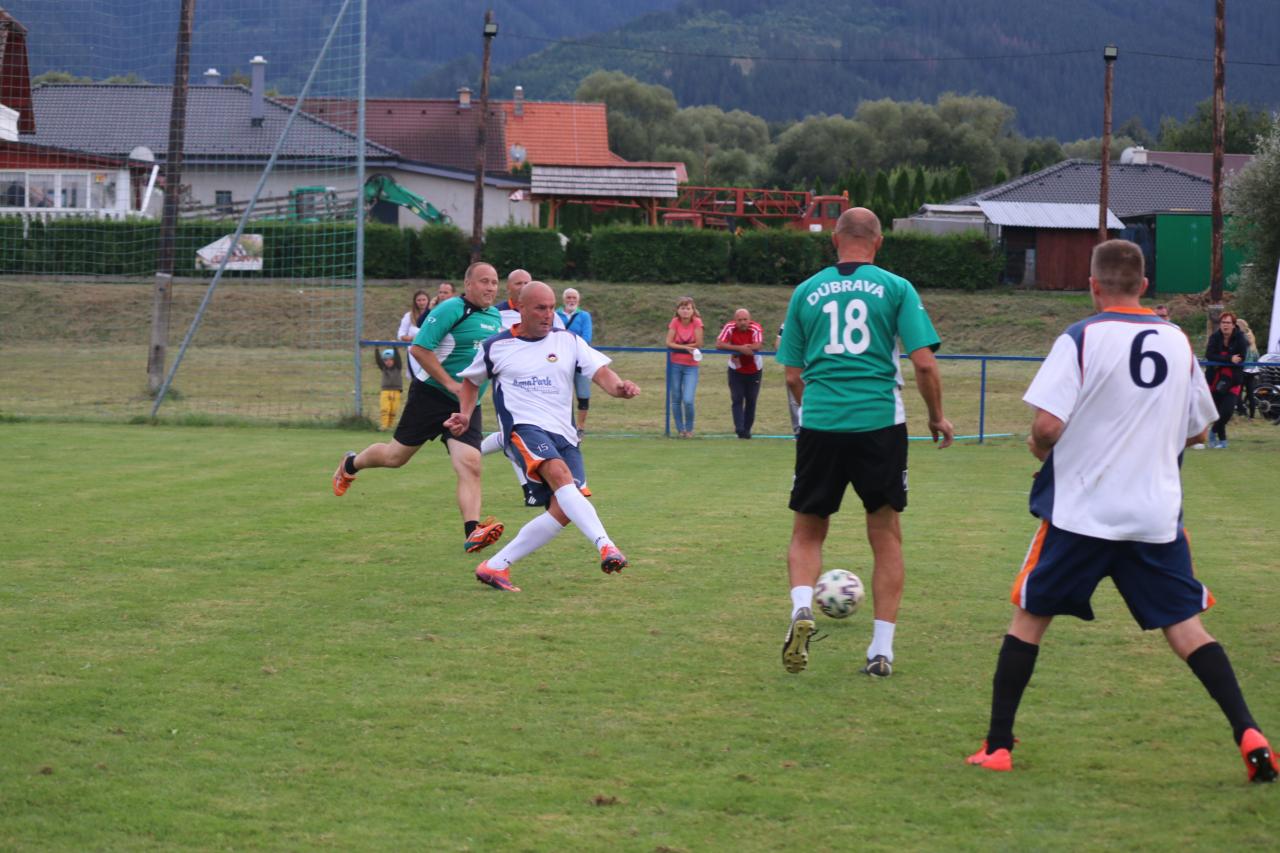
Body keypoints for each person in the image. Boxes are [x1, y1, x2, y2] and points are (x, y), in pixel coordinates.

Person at [965, 239, 1277, 783]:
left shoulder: (1081, 337)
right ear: (1144, 285)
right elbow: (1199, 429)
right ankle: (1249, 732)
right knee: (1187, 629)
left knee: (1029, 619)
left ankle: (997, 745)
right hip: (1153, 516)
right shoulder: (1176, 341)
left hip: (1082, 512)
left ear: (1093, 285)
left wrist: (1041, 449)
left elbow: (1046, 426)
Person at [775, 207, 954, 677]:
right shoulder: (897, 288)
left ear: (835, 239)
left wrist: (818, 408)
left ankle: (801, 607)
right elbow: (924, 363)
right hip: (879, 423)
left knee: (808, 529)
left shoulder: (806, 291)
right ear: (879, 241)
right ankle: (881, 651)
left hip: (821, 423)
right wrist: (936, 416)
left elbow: (792, 375)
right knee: (885, 533)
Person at [445, 282, 642, 592]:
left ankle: (495, 566)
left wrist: (620, 388)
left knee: (564, 509)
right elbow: (471, 382)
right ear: (521, 309)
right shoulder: (496, 346)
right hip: (523, 428)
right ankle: (607, 546)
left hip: (565, 434)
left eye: (551, 308)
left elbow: (601, 373)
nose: (548, 314)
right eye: (540, 308)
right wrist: (466, 415)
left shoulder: (568, 341)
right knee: (560, 475)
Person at [332, 261, 506, 556]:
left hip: (467, 404)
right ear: (468, 284)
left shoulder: (495, 317)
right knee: (394, 457)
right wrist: (451, 384)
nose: (490, 287)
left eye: (494, 282)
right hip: (430, 396)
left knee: (471, 464)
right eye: (484, 281)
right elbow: (418, 349)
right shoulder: (450, 309)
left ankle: (473, 532)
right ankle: (350, 464)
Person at [717, 308, 764, 439]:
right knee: (737, 398)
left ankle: (746, 430)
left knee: (751, 400)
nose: (743, 322)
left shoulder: (756, 328)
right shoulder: (729, 327)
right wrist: (740, 349)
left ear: (750, 320)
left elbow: (758, 345)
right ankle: (739, 429)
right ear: (735, 320)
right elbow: (719, 344)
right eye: (739, 320)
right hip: (735, 369)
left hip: (754, 369)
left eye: (745, 319)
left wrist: (740, 349)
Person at [1204, 311, 1247, 449]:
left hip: (1233, 379)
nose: (1225, 325)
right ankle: (1222, 441)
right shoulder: (1215, 337)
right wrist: (1229, 358)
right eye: (1223, 322)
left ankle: (1213, 432)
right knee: (1217, 412)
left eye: (1228, 323)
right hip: (1215, 379)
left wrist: (1222, 358)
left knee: (1227, 412)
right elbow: (1209, 355)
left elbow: (1241, 357)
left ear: (1234, 325)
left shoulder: (1240, 338)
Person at [557, 287, 595, 438]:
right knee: (560, 395)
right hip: (561, 361)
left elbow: (586, 338)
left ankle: (580, 427)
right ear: (563, 299)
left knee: (583, 394)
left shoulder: (584, 316)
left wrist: (572, 348)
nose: (571, 300)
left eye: (574, 298)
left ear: (578, 300)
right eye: (569, 297)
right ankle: (562, 425)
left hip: (580, 360)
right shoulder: (556, 315)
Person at [665, 296, 704, 438]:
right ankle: (680, 430)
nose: (685, 311)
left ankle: (689, 429)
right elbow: (669, 342)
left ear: (693, 310)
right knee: (676, 398)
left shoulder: (697, 322)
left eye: (688, 308)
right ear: (678, 310)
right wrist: (686, 348)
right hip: (675, 363)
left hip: (691, 366)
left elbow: (699, 343)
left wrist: (683, 347)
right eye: (682, 308)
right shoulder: (675, 322)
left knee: (688, 399)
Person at [776, 322, 801, 435]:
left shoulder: (811, 321)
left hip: (811, 367)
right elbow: (778, 344)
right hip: (795, 366)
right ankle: (798, 431)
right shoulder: (786, 324)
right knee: (793, 400)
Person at [1236, 317, 1260, 419]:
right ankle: (1252, 415)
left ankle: (1242, 411)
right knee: (1250, 394)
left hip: (1243, 370)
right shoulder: (1252, 340)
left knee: (1238, 392)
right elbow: (1257, 357)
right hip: (1252, 371)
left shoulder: (1241, 339)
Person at [374, 347, 403, 431]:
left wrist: (395, 347)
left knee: (393, 410)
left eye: (391, 359)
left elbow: (398, 359)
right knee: (385, 409)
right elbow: (378, 361)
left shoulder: (398, 367)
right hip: (385, 391)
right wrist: (376, 349)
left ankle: (390, 426)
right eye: (386, 360)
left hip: (396, 391)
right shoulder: (383, 368)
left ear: (394, 360)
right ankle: (384, 426)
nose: (388, 362)